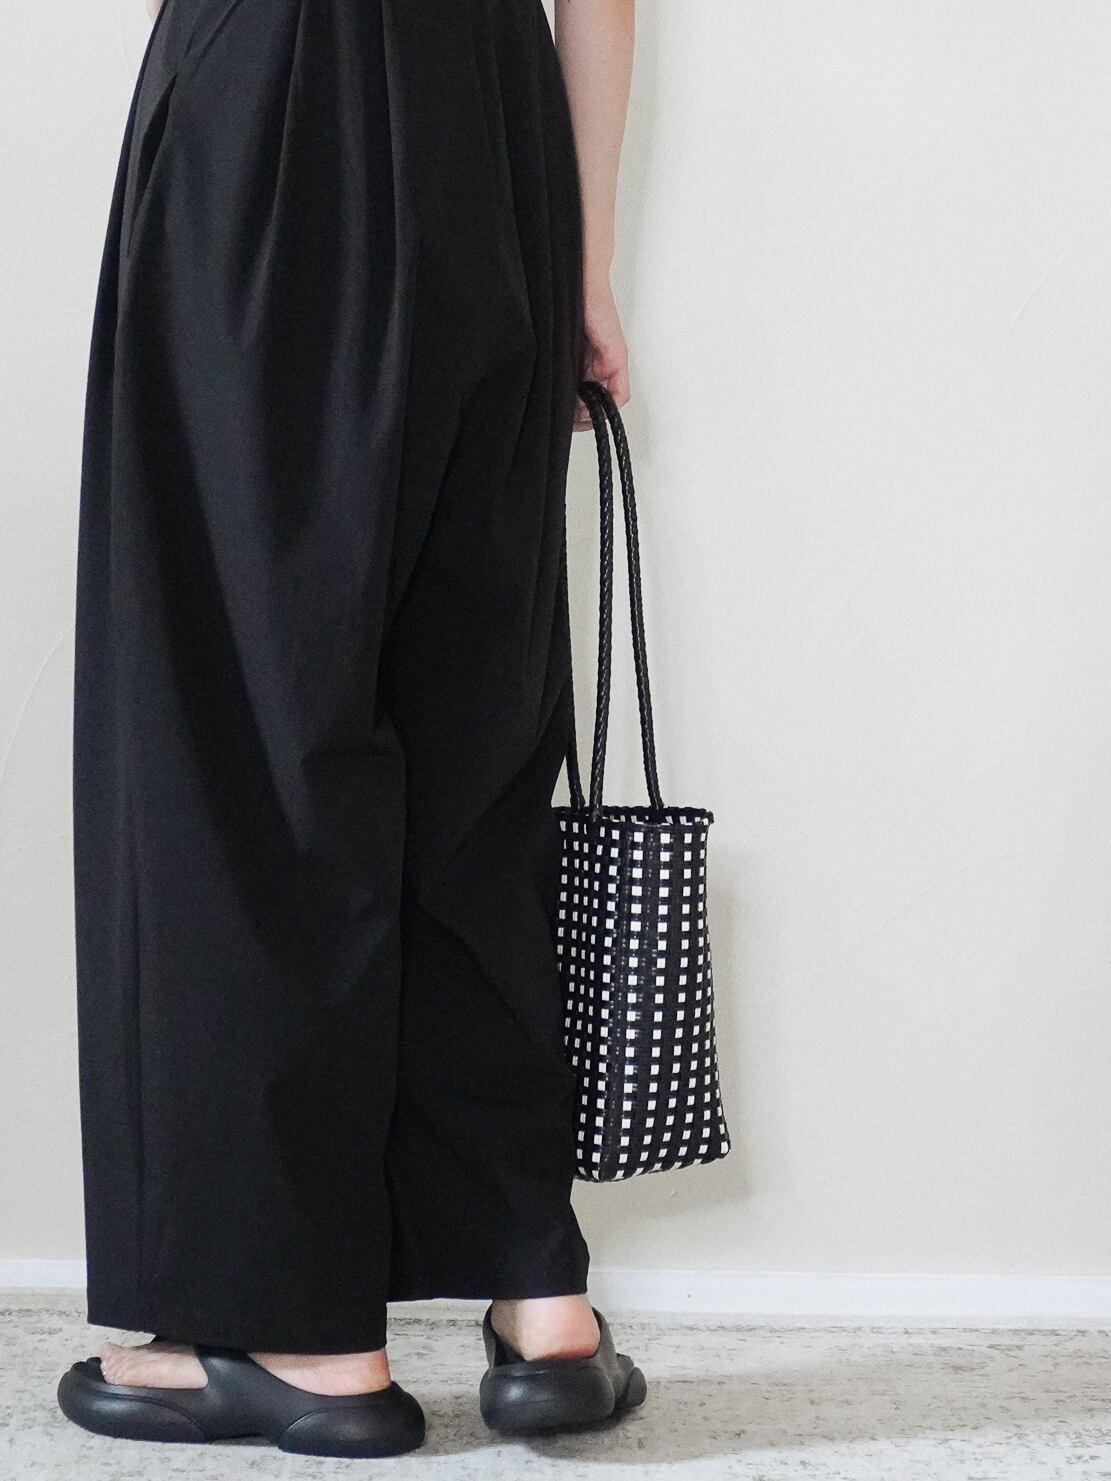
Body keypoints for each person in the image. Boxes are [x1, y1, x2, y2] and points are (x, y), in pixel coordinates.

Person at [56, 0, 641, 1459]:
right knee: (478, 736)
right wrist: (582, 258)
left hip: (267, 109)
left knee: (242, 740)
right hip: (496, 125)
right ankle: (541, 1297)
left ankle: (307, 1338)